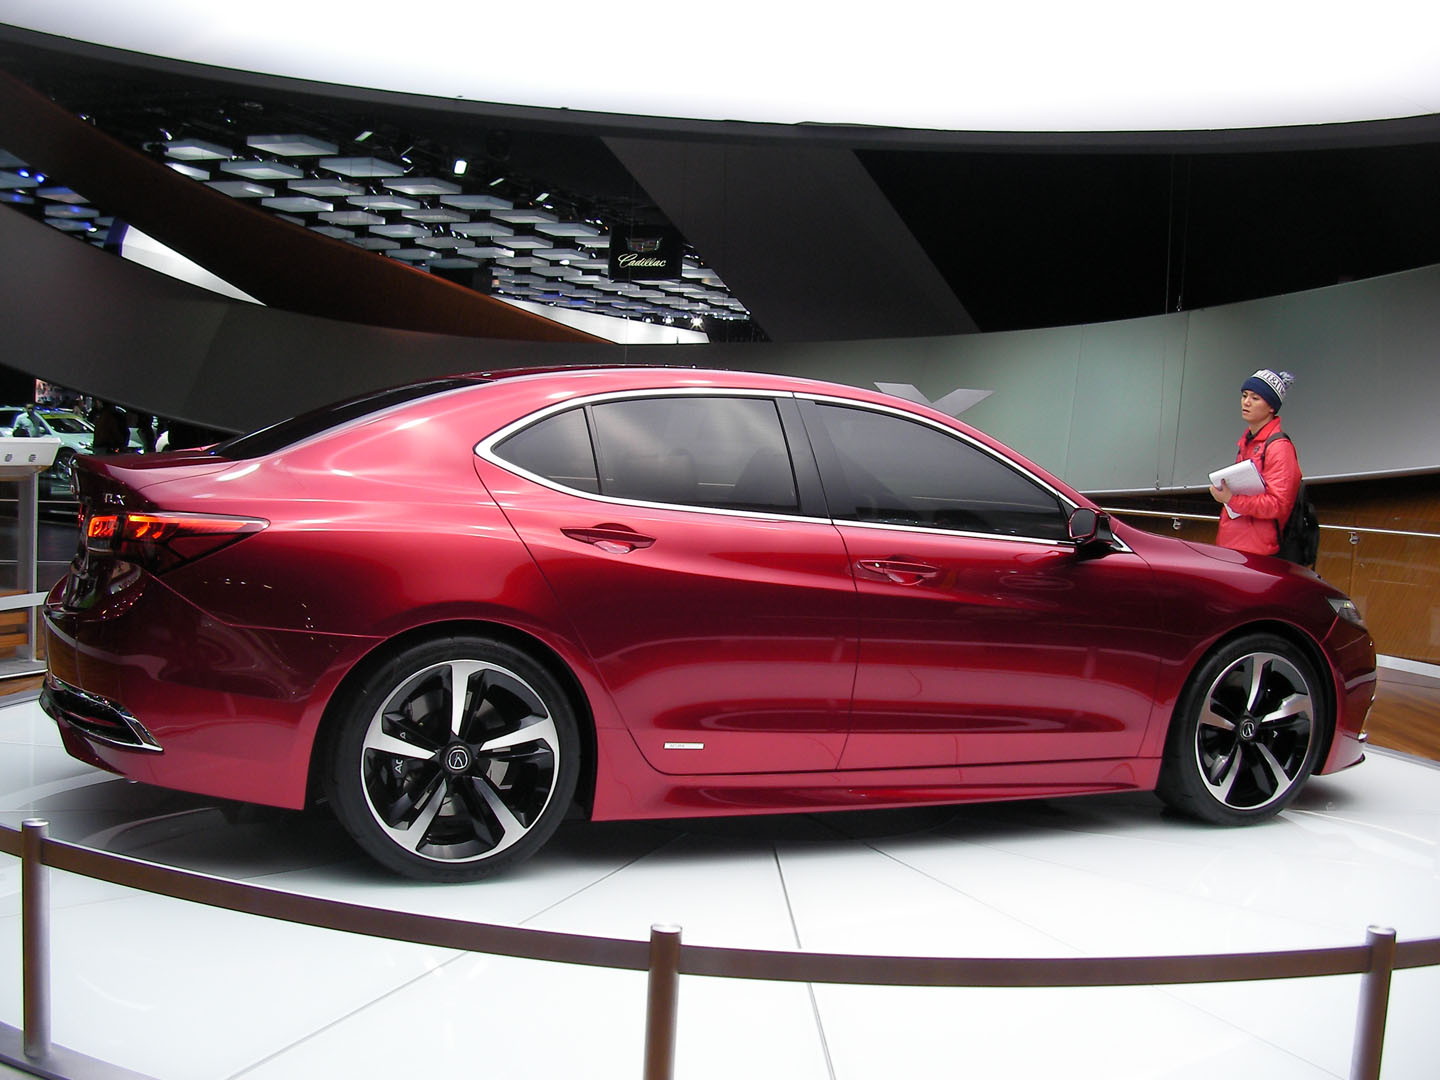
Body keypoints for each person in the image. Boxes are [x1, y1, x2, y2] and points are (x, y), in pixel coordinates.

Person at [1209, 368, 1300, 556]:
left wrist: (1231, 499)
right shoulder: (1248, 441)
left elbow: (1278, 504)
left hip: (1257, 551)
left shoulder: (1279, 447)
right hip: (1232, 545)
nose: (1246, 402)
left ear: (1271, 407)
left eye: (1255, 398)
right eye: (1244, 395)